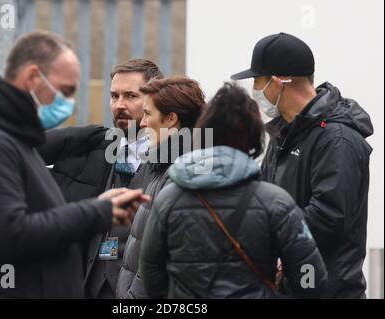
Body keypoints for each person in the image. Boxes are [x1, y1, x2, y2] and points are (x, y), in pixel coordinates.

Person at [0, 31, 149, 299]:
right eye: (64, 91)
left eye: (130, 96)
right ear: (32, 78)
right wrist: (98, 211)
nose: (68, 103)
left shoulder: (15, 143)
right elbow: (11, 235)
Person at [140, 82, 328, 299]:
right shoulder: (275, 202)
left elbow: (151, 272)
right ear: (254, 136)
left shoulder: (169, 199)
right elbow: (311, 275)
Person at [230, 32, 373, 298]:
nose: (255, 91)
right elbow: (264, 201)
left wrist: (270, 243)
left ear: (278, 82)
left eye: (257, 81)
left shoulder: (337, 138)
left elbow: (329, 217)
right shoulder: (282, 134)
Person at [37, 59, 164, 299]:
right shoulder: (92, 148)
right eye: (114, 96)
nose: (119, 105)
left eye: (130, 96)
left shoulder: (170, 162)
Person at [116, 76, 206, 299]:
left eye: (148, 113)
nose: (143, 122)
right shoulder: (158, 166)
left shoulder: (182, 174)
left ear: (171, 119)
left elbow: (159, 260)